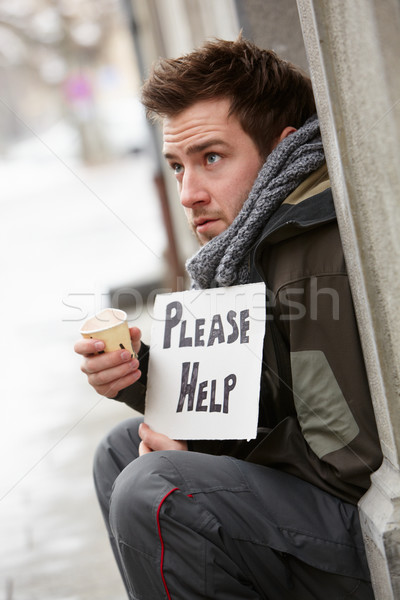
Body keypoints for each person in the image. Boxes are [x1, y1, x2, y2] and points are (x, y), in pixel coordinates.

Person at [74, 37, 382, 599]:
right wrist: (144, 377)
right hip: (321, 503)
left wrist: (197, 452)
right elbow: (274, 394)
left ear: (283, 150)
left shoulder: (309, 255)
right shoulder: (250, 248)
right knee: (120, 452)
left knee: (156, 488)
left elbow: (346, 466)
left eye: (211, 158)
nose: (189, 193)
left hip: (362, 535)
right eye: (177, 167)